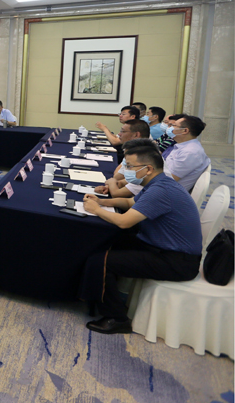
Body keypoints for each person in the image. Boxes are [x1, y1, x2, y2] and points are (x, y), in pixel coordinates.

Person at [79, 141, 202, 334]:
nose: (125, 171)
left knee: (101, 261)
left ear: (148, 169)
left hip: (176, 261)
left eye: (129, 166)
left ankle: (116, 318)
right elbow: (130, 202)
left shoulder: (161, 190)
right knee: (105, 240)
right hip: (160, 246)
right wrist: (102, 202)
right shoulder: (158, 182)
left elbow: (124, 222)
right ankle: (94, 291)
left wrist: (96, 210)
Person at [94, 121, 151, 198]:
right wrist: (110, 186)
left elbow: (117, 192)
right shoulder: (134, 150)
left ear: (136, 135)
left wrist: (112, 184)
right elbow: (119, 177)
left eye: (123, 131)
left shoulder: (143, 156)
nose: (119, 134)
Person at [162, 114, 210, 192]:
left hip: (166, 192)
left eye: (174, 125)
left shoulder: (190, 152)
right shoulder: (182, 146)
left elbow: (168, 180)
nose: (170, 128)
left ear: (185, 131)